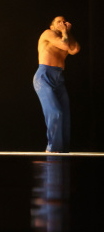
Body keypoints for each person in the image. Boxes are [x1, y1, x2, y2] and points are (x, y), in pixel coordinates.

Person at [33, 16, 80, 153]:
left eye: (64, 21)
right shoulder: (48, 33)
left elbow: (75, 49)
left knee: (65, 115)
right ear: (52, 26)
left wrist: (67, 32)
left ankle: (63, 150)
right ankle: (52, 148)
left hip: (58, 78)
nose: (62, 23)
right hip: (44, 76)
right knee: (55, 112)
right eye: (59, 22)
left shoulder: (65, 36)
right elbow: (65, 45)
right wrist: (65, 32)